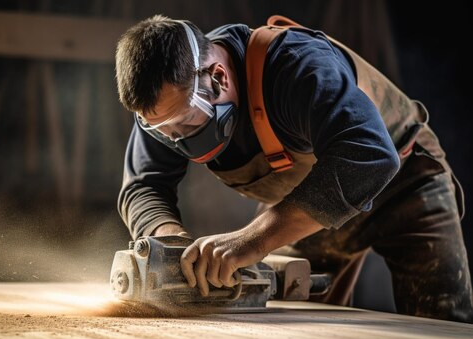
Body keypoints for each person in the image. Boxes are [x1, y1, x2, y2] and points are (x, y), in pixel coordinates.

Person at [114, 15, 473, 322]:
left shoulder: (295, 65)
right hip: (310, 201)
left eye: (186, 123)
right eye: (164, 132)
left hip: (405, 183)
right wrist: (168, 243)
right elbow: (144, 185)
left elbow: (369, 155)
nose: (177, 140)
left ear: (219, 78)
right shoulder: (165, 106)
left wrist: (251, 240)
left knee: (443, 328)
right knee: (290, 315)